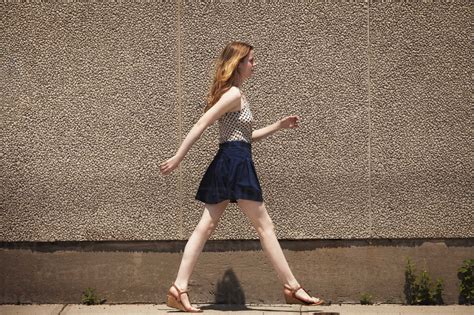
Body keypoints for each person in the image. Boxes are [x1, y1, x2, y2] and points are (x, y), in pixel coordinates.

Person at [160, 41, 325, 312]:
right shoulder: (233, 95)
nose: (255, 64)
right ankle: (293, 287)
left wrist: (278, 126)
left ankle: (179, 288)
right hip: (234, 164)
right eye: (251, 60)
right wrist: (179, 157)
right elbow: (202, 123)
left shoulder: (237, 95)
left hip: (234, 159)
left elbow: (245, 138)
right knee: (264, 226)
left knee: (207, 227)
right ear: (238, 63)